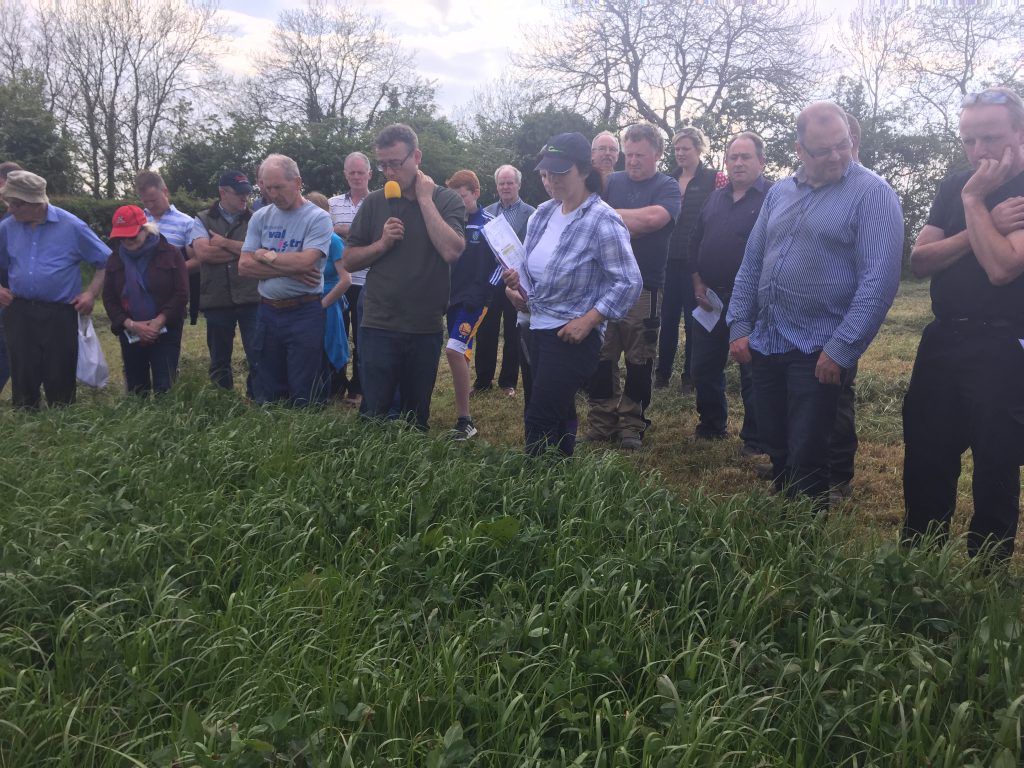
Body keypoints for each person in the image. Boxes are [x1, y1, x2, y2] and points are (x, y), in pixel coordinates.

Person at [727, 101, 903, 510]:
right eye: (823, 150)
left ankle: (805, 537)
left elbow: (878, 282)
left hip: (820, 346)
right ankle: (786, 519)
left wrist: (841, 349)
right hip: (768, 340)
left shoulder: (872, 194)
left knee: (810, 451)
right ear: (799, 150)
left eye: (843, 144)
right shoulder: (780, 193)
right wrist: (738, 324)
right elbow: (752, 262)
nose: (837, 156)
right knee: (776, 440)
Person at [902, 87, 1024, 560]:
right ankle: (917, 564)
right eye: (968, 141)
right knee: (927, 454)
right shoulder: (956, 184)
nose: (979, 152)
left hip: (1004, 343)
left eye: (990, 138)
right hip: (943, 337)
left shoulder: (978, 191)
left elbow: (1003, 268)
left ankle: (985, 578)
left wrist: (974, 207)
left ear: (1019, 130)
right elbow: (919, 260)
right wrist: (982, 217)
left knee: (996, 464)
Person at [503, 132, 641, 457]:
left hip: (570, 334)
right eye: (547, 172)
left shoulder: (602, 219)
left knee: (540, 415)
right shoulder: (542, 215)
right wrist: (516, 288)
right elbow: (529, 270)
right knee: (554, 410)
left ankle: (533, 493)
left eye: (561, 172)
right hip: (533, 326)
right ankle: (559, 483)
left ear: (583, 171)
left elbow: (628, 281)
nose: (552, 179)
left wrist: (589, 321)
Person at [342, 123, 465, 431]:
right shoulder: (373, 202)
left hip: (424, 326)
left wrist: (424, 200)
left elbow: (452, 250)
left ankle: (409, 475)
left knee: (415, 415)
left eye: (395, 163)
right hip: (378, 322)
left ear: (417, 157)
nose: (389, 172)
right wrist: (381, 244)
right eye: (383, 165)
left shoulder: (446, 200)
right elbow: (348, 260)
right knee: (374, 412)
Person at [585, 123, 681, 449]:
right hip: (604, 286)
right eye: (630, 154)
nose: (633, 161)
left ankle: (631, 424)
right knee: (601, 356)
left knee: (640, 359)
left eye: (641, 155)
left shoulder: (667, 186)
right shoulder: (610, 182)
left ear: (657, 154)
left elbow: (653, 220)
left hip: (645, 288)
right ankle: (601, 421)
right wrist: (628, 222)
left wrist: (608, 218)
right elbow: (589, 219)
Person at [689, 132, 771, 451]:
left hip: (754, 302)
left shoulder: (773, 198)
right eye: (733, 157)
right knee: (703, 366)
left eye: (745, 157)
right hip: (711, 300)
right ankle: (712, 424)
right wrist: (697, 282)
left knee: (753, 370)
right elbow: (694, 240)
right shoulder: (715, 198)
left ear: (761, 162)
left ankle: (756, 437)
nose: (738, 163)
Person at [0, 170, 110, 407]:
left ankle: (61, 428)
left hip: (59, 313)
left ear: (36, 203)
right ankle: (26, 426)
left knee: (59, 372)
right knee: (23, 373)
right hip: (19, 311)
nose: (10, 210)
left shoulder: (72, 226)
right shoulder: (7, 228)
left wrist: (91, 293)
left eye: (16, 204)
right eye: (8, 203)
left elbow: (106, 261)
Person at [239, 154, 334, 406]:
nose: (272, 194)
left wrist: (264, 254)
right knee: (268, 386)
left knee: (305, 386)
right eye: (267, 188)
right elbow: (245, 266)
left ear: (297, 182)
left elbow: (306, 263)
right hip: (267, 311)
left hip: (304, 311)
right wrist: (286, 267)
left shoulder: (318, 218)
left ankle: (306, 438)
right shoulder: (260, 217)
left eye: (278, 187)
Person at [656, 127, 727, 393]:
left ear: (698, 149)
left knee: (695, 319)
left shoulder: (714, 179)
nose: (681, 153)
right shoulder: (667, 180)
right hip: (668, 259)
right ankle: (662, 374)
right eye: (676, 149)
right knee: (668, 319)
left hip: (696, 261)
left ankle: (690, 376)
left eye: (686, 148)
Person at [102, 205, 188, 395]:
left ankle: (165, 422)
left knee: (165, 385)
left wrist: (158, 322)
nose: (127, 241)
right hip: (130, 331)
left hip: (166, 329)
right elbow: (108, 297)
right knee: (135, 386)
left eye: (132, 236)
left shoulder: (171, 253)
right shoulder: (115, 259)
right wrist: (131, 324)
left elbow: (181, 293)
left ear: (146, 229)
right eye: (122, 237)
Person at [190, 169, 261, 397]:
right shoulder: (201, 219)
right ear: (223, 192)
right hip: (216, 298)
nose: (245, 198)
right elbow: (203, 255)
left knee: (257, 354)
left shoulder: (255, 218)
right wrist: (243, 250)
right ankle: (223, 401)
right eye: (239, 193)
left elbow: (261, 251)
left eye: (247, 193)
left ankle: (258, 399)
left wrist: (222, 243)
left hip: (251, 297)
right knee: (219, 358)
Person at [444, 170, 497, 439]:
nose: (458, 201)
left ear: (475, 193)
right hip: (451, 297)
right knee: (461, 353)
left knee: (453, 350)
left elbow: (506, 261)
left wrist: (487, 289)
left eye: (462, 196)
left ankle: (466, 421)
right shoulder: (450, 222)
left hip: (475, 299)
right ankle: (462, 416)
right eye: (453, 197)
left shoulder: (489, 223)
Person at [475, 164, 535, 397]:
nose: (506, 187)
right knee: (485, 331)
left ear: (518, 185)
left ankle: (508, 382)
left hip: (517, 281)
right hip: (491, 282)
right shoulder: (487, 212)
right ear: (497, 186)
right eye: (502, 183)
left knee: (513, 332)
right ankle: (482, 381)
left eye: (510, 183)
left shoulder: (531, 213)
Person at [328, 151, 372, 403]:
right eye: (351, 172)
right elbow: (326, 234)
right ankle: (336, 385)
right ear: (345, 174)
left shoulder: (378, 202)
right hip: (339, 279)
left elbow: (376, 237)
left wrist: (342, 230)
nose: (356, 177)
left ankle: (358, 386)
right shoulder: (333, 204)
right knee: (338, 335)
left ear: (369, 174)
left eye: (360, 172)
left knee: (363, 337)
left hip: (367, 280)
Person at [135, 170, 199, 324]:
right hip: (137, 295)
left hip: (169, 299)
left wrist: (172, 271)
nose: (150, 205)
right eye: (145, 202)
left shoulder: (187, 223)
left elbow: (198, 261)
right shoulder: (137, 221)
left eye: (153, 200)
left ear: (165, 191)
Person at [307, 192, 352, 400]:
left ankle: (335, 388)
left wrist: (322, 305)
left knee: (332, 344)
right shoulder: (308, 239)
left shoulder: (333, 241)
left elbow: (346, 280)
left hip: (329, 302)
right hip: (310, 302)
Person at [0, 160, 21, 396]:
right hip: (6, 295)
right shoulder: (7, 221)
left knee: (10, 348)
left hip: (14, 297)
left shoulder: (15, 220)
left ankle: (25, 395)